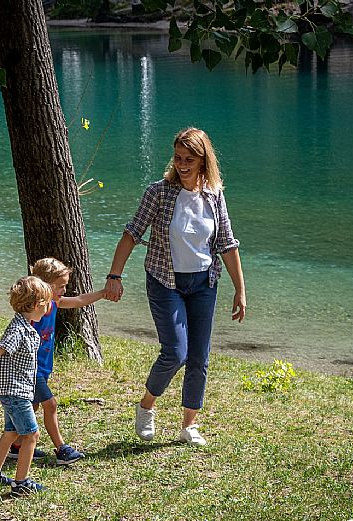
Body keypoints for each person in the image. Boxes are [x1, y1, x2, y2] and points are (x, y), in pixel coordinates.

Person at [103, 126, 247, 446]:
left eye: (189, 159)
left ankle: (189, 425)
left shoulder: (214, 195)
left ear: (203, 160)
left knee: (199, 356)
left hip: (204, 284)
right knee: (175, 352)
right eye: (178, 158)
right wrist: (115, 276)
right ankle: (146, 406)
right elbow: (132, 233)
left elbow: (227, 243)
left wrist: (240, 289)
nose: (182, 164)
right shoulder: (158, 192)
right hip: (164, 282)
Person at [6, 257, 109, 465]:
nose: (64, 290)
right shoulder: (34, 312)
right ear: (44, 286)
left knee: (33, 405)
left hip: (43, 367)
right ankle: (61, 448)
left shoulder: (54, 303)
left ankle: (16, 447)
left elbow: (79, 300)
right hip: (31, 370)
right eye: (61, 286)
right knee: (50, 405)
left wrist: (102, 293)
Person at [0, 276, 54, 496]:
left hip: (16, 391)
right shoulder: (18, 330)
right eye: (47, 303)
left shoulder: (26, 327)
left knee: (11, 432)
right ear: (38, 305)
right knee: (31, 435)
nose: (49, 308)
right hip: (15, 392)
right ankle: (21, 483)